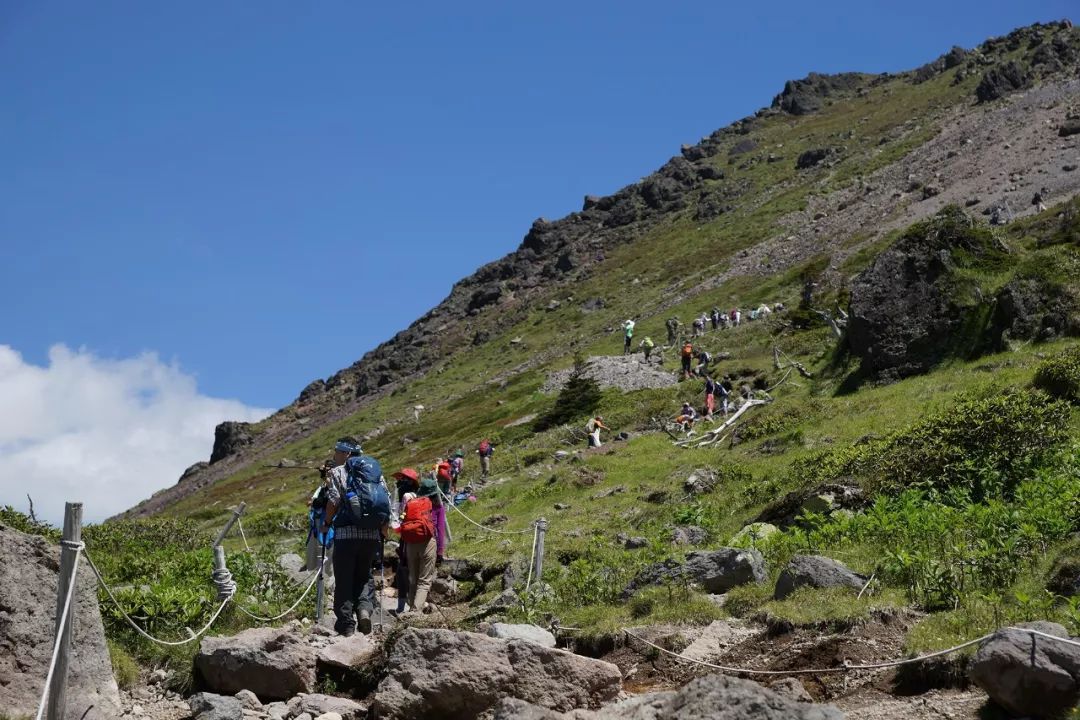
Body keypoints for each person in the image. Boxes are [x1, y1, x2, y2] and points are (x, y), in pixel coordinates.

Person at [320, 437, 391, 636]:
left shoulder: (337, 472)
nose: (335, 455)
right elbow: (384, 500)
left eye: (337, 451)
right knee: (364, 575)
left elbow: (333, 500)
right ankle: (364, 611)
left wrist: (326, 523)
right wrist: (383, 529)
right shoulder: (375, 472)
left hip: (346, 535)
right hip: (370, 536)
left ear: (346, 454)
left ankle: (346, 624)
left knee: (344, 579)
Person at [393, 491, 437, 616]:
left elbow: (399, 523)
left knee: (413, 579)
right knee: (424, 580)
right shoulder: (427, 505)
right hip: (427, 542)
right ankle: (415, 611)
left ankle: (412, 606)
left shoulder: (408, 504)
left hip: (411, 543)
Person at [390, 468, 420, 614]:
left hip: (406, 537)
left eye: (401, 479)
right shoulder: (418, 495)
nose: (398, 482)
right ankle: (415, 602)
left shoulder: (406, 496)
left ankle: (402, 605)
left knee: (403, 570)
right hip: (418, 537)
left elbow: (401, 518)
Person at [304, 460, 336, 575]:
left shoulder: (336, 482)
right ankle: (315, 571)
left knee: (327, 548)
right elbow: (313, 500)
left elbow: (332, 489)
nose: (327, 471)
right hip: (317, 521)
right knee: (315, 548)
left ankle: (328, 576)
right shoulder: (322, 487)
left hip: (328, 522)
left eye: (329, 468)